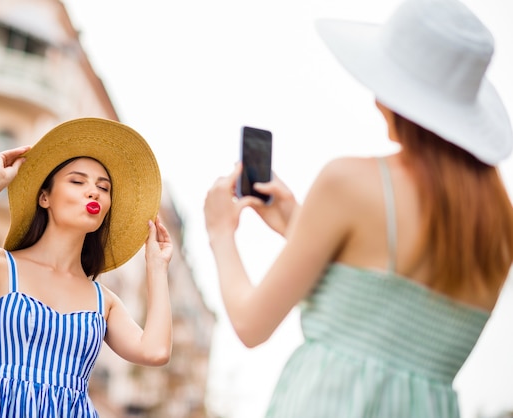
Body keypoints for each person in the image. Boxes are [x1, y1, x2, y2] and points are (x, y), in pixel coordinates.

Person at [203, 0, 513, 416]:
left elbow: (250, 323)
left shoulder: (348, 182)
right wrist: (298, 223)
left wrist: (221, 233)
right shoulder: (499, 225)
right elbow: (390, 307)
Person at [0, 118, 173, 417]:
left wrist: (157, 267)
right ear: (44, 197)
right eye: (77, 181)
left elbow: (155, 351)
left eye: (103, 187)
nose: (94, 192)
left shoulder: (104, 300)